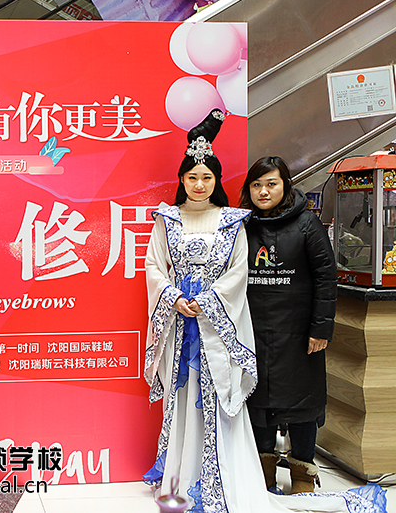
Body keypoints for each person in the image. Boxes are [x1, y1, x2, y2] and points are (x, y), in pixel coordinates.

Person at [142, 111, 385, 513]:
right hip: (184, 324)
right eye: (192, 177)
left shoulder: (235, 222)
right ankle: (183, 475)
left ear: (218, 181)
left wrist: (209, 301)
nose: (199, 185)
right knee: (187, 398)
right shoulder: (167, 220)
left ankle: (250, 472)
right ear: (182, 179)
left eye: (207, 177)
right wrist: (172, 296)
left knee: (233, 398)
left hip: (221, 326)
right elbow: (154, 266)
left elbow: (239, 271)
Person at [241, 157, 336, 494]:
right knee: (259, 404)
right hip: (253, 331)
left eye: (271, 184)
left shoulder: (308, 223)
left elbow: (326, 278)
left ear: (286, 185)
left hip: (299, 334)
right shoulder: (242, 225)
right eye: (256, 185)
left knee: (302, 404)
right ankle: (264, 472)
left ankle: (302, 475)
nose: (263, 191)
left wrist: (320, 328)